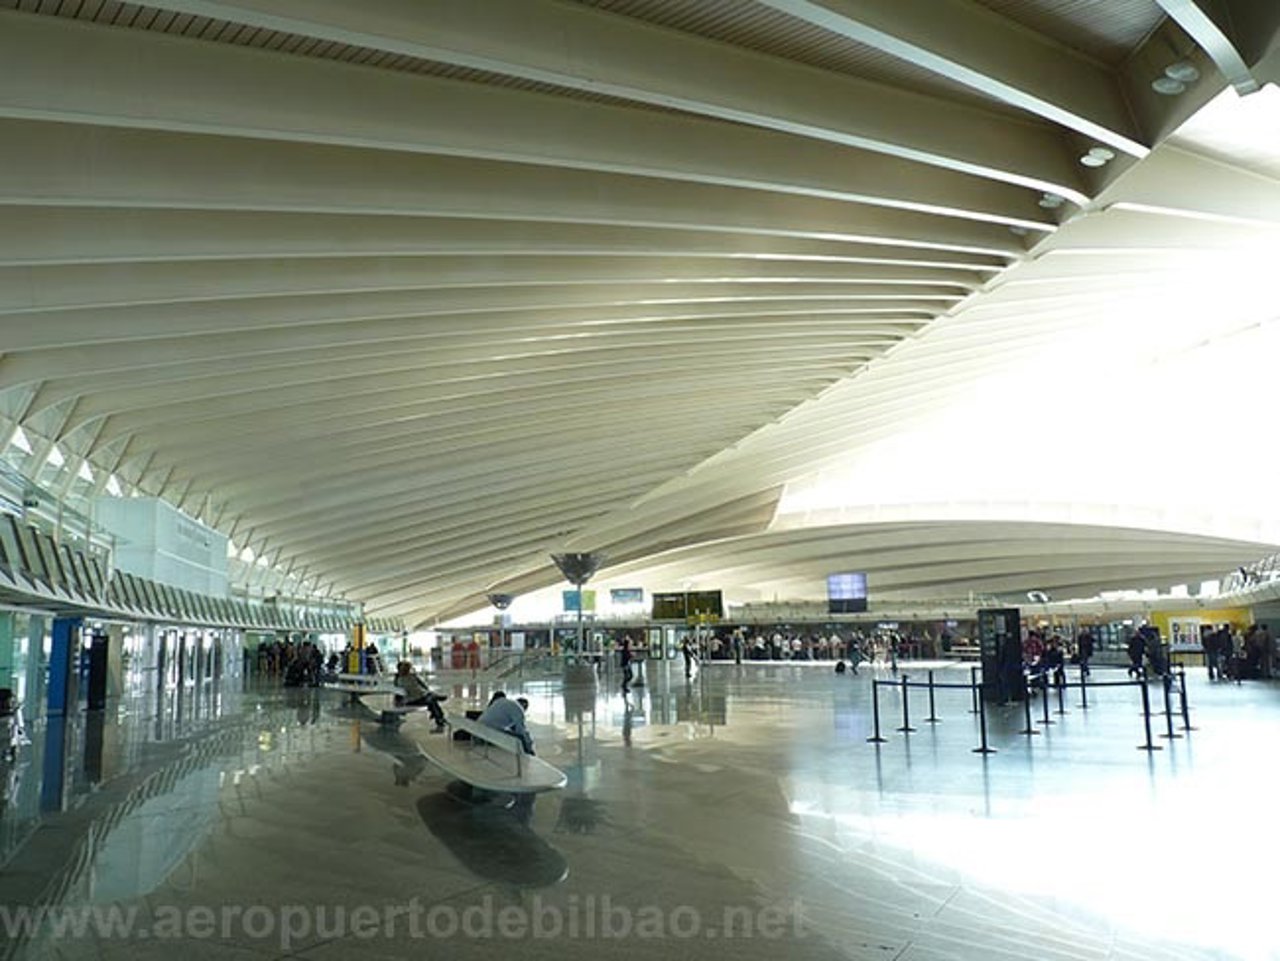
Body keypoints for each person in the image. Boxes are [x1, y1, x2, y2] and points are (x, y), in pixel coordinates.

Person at [392, 661, 447, 731]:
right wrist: (398, 702)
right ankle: (439, 717)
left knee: (431, 700)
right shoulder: (399, 680)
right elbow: (397, 692)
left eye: (408, 669)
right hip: (412, 700)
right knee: (432, 701)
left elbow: (422, 684)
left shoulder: (412, 676)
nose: (407, 671)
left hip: (422, 696)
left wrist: (427, 690)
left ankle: (438, 717)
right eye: (405, 669)